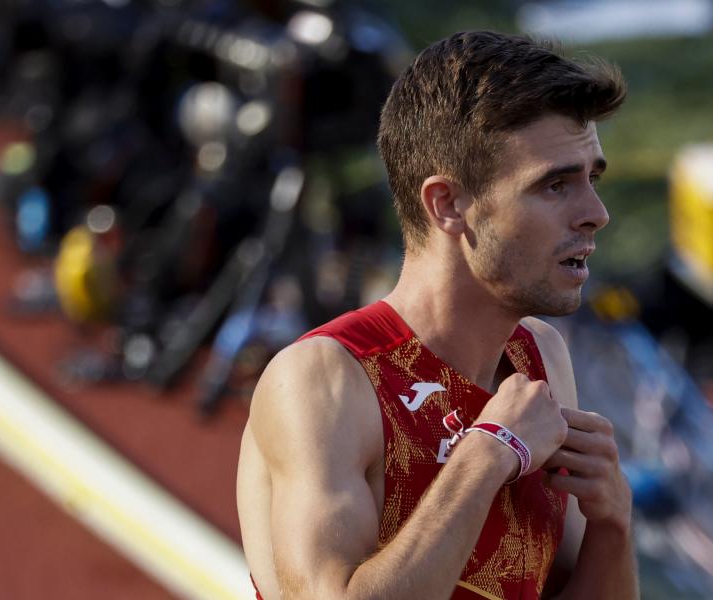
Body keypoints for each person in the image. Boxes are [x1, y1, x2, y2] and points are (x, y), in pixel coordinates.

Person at [235, 30, 636, 600]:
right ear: (448, 205)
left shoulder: (540, 355)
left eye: (590, 178)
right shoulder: (323, 377)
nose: (595, 213)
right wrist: (489, 451)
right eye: (554, 185)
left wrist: (613, 526)